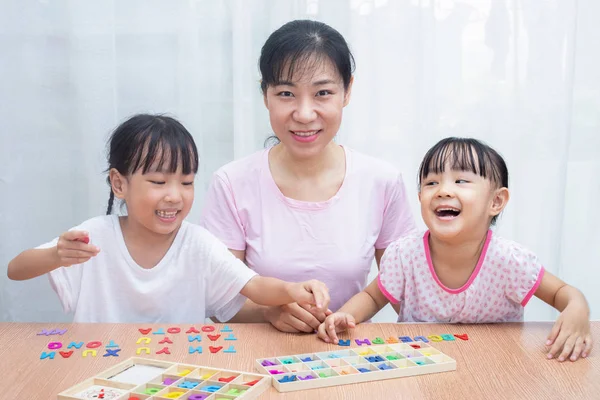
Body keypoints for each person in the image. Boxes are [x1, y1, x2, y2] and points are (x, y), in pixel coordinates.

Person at [7, 114, 329, 323]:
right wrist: (55, 255)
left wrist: (292, 290)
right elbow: (15, 270)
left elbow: (255, 285)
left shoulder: (198, 244)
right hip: (97, 374)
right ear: (119, 184)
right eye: (158, 182)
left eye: (187, 182)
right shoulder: (93, 238)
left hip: (177, 379)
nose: (175, 195)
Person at [200, 20, 416, 333]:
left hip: (352, 358)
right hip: (261, 359)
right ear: (265, 95)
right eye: (286, 93)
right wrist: (267, 311)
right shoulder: (232, 183)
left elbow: (405, 288)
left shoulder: (381, 181)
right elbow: (218, 299)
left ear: (347, 91)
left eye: (322, 93)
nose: (304, 114)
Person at [316, 137, 592, 362]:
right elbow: (372, 297)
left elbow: (561, 293)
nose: (443, 190)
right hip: (421, 367)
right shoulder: (405, 254)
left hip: (496, 366)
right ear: (420, 197)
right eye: (431, 183)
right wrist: (347, 315)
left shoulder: (508, 260)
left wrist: (578, 307)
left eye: (461, 181)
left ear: (496, 202)